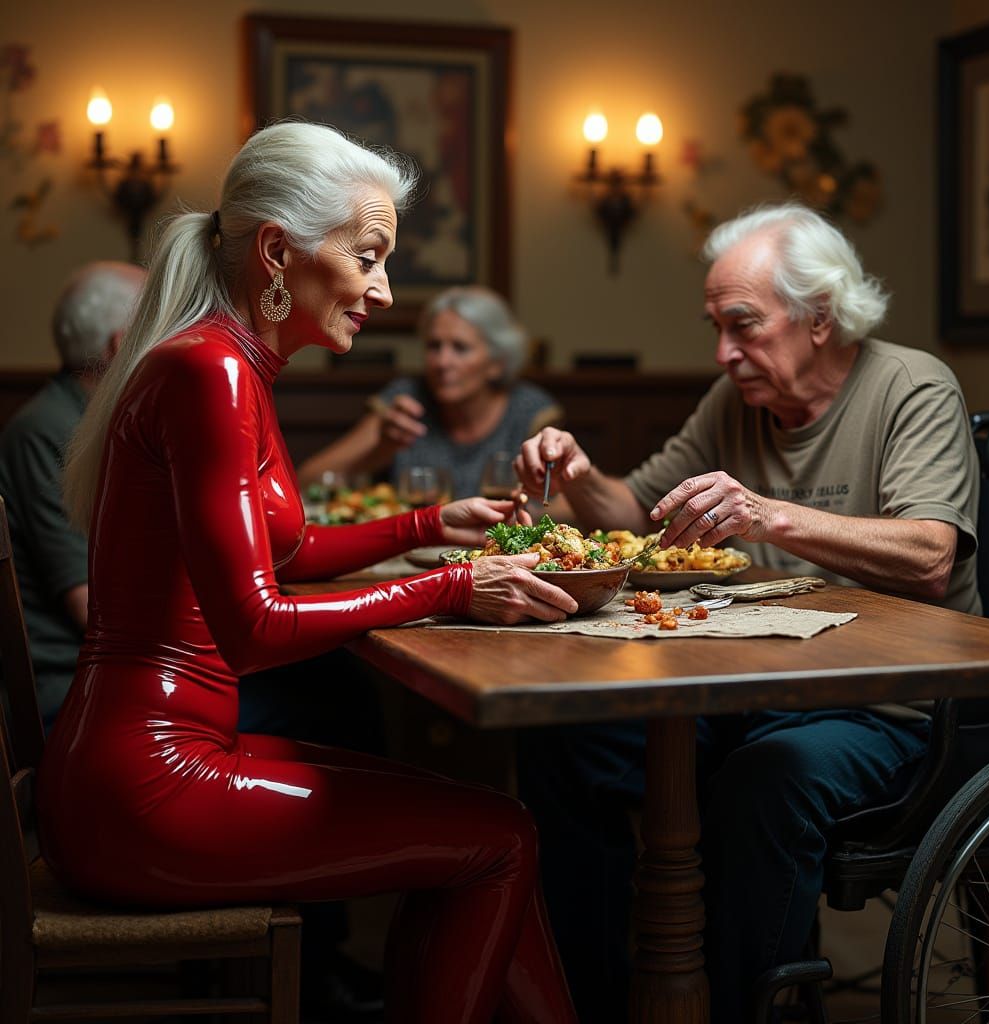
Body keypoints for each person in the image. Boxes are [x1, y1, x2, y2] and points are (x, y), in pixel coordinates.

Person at [37, 121, 579, 1024]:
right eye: (368, 257)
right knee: (502, 837)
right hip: (144, 789)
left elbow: (283, 554)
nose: (384, 288)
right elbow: (254, 627)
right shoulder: (210, 371)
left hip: (150, 763)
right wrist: (448, 586)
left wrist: (431, 525)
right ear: (279, 252)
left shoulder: (228, 360)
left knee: (484, 821)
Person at [514, 201, 981, 1023]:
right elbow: (633, 512)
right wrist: (581, 473)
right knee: (568, 740)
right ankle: (590, 1001)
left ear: (820, 318)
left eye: (744, 326)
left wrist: (768, 514)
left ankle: (740, 1010)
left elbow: (932, 556)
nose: (724, 354)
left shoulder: (911, 385)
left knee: (766, 781)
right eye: (717, 328)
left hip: (886, 706)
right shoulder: (735, 401)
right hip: (747, 688)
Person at [0, 261, 144, 731]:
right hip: (75, 693)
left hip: (115, 675)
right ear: (122, 346)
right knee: (326, 702)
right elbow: (93, 607)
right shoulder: (49, 430)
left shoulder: (94, 423)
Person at [297, 285, 562, 499]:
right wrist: (380, 449)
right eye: (434, 346)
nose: (442, 362)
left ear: (496, 363)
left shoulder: (529, 410)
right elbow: (308, 480)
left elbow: (565, 504)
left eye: (460, 348)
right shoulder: (406, 401)